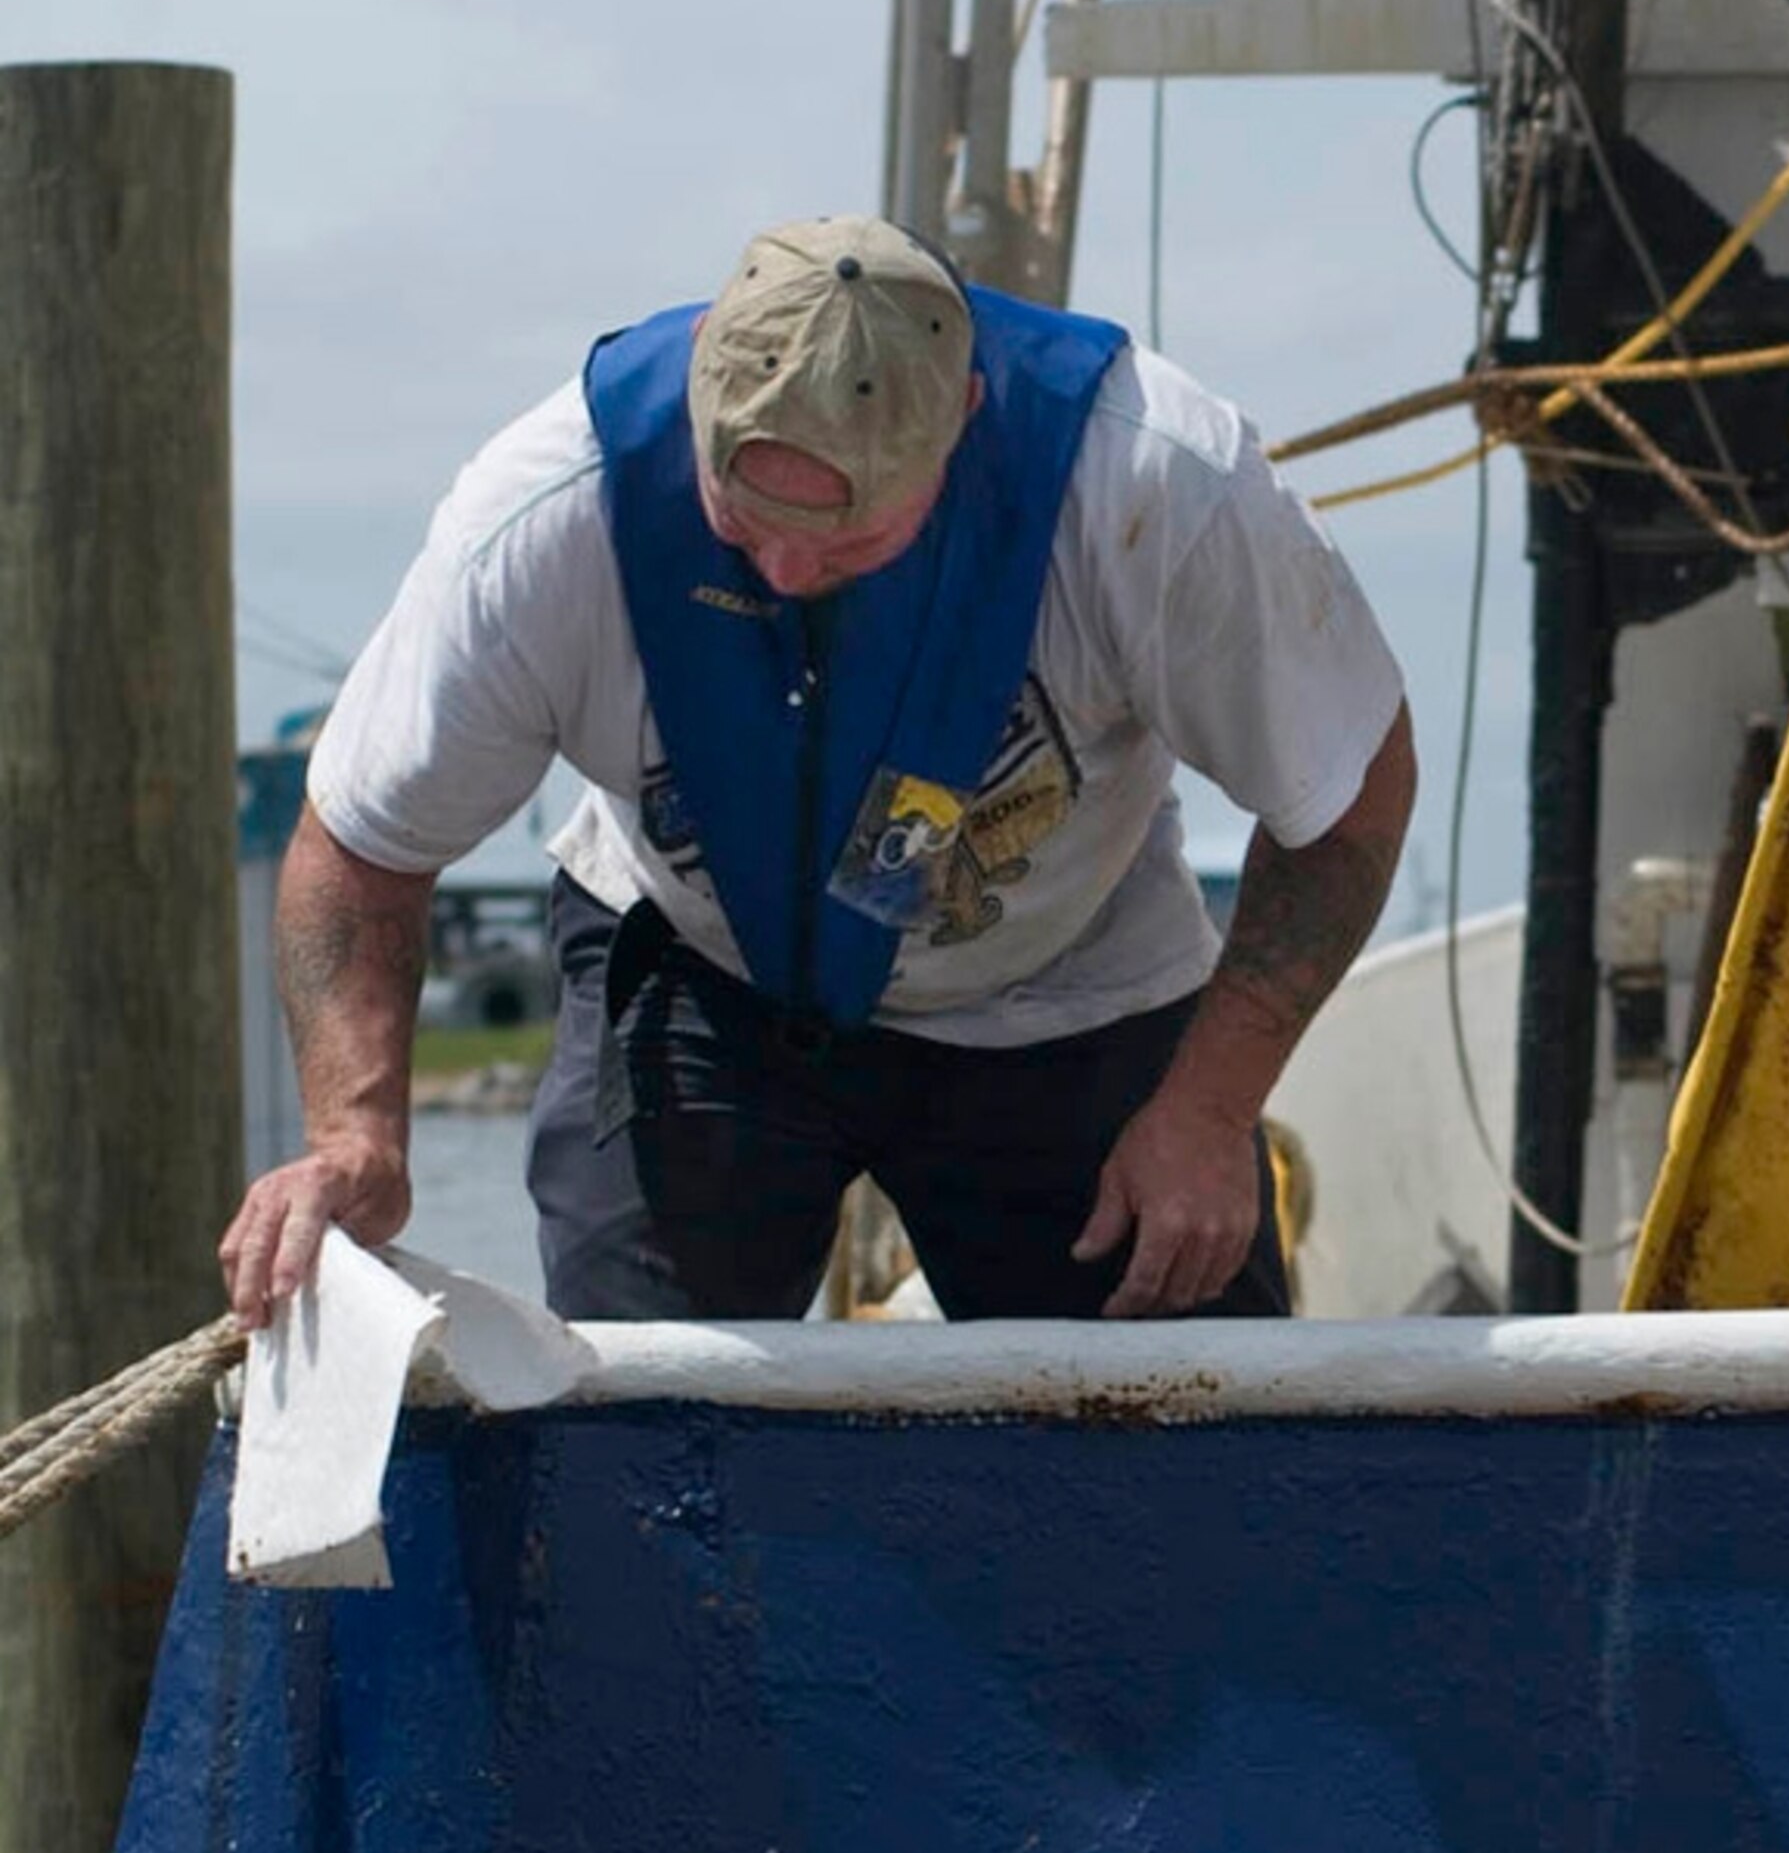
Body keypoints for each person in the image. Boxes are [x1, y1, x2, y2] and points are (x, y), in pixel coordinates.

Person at [220, 216, 1413, 1326]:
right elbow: (367, 844)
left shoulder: (1153, 486)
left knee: (1188, 1422)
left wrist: (1207, 1110)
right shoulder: (545, 517)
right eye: (743, 523)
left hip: (1071, 982)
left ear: (965, 427)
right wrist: (356, 1130)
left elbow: (1348, 796)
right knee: (633, 1427)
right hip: (701, 961)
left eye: (849, 539)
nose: (787, 572)